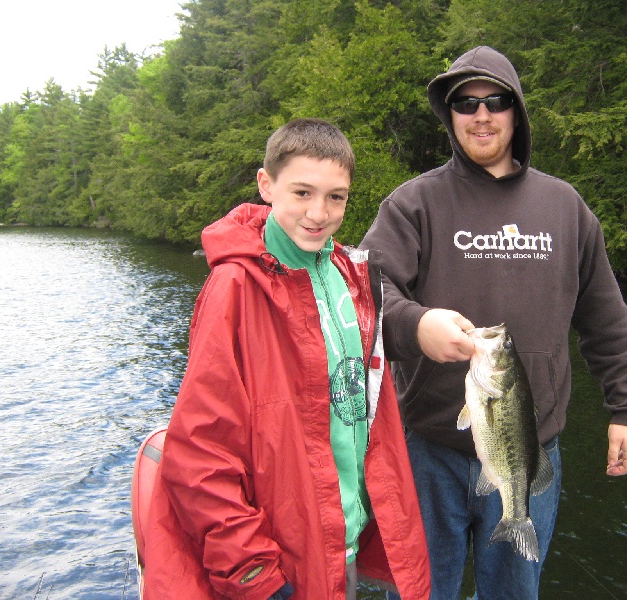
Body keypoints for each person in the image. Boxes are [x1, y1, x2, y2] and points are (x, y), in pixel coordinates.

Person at [360, 46, 627, 599]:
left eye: (495, 100)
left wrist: (626, 409)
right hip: (428, 452)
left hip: (531, 450)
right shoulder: (413, 204)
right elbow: (366, 296)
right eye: (465, 104)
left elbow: (607, 319)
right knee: (420, 592)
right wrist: (415, 326)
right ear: (450, 117)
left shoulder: (564, 208)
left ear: (516, 111)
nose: (481, 114)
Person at [142, 118, 431, 600]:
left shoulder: (349, 273)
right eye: (301, 192)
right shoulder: (233, 290)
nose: (318, 212)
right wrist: (251, 570)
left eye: (335, 197)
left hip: (345, 544)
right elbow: (200, 449)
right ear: (266, 185)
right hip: (279, 555)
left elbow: (363, 410)